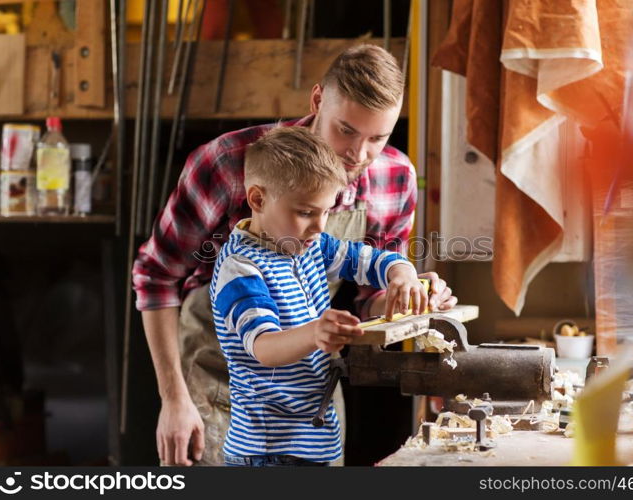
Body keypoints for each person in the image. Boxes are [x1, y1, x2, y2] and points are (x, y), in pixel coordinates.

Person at [132, 44, 458, 466]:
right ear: (318, 99)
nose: (358, 155)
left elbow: (367, 298)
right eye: (346, 130)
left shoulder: (394, 177)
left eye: (377, 138)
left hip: (310, 392)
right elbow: (156, 276)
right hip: (223, 387)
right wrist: (173, 398)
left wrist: (409, 295)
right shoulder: (229, 163)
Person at [212, 126, 427, 466]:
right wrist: (315, 333)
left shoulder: (309, 246)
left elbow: (370, 260)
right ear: (258, 199)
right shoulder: (241, 269)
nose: (320, 226)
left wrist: (402, 273)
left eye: (326, 212)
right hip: (270, 449)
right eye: (306, 212)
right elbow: (264, 347)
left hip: (313, 438)